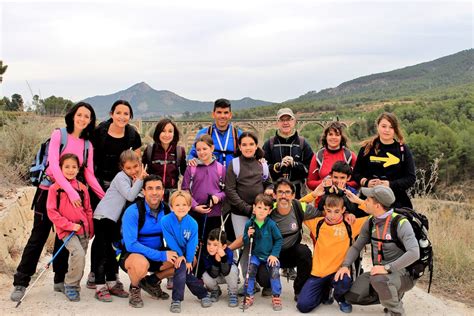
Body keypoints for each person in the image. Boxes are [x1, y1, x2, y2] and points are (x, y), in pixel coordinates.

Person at [11, 102, 105, 302]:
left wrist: (105, 198)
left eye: (87, 116)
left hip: (71, 197)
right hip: (48, 192)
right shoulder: (59, 135)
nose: (82, 119)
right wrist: (70, 190)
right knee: (38, 237)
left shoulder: (87, 145)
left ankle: (59, 280)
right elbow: (53, 165)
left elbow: (88, 174)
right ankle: (21, 282)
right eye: (79, 114)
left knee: (65, 237)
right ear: (72, 116)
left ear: (90, 121)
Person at [335, 185, 420, 316]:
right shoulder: (371, 221)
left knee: (379, 280)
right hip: (379, 273)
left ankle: (396, 311)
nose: (365, 202)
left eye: (368, 199)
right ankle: (390, 296)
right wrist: (345, 266)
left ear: (377, 205)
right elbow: (357, 246)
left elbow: (414, 252)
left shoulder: (401, 223)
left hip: (403, 274)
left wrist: (387, 268)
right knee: (351, 296)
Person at [88, 99, 142, 290]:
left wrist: (137, 178)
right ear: (112, 114)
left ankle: (113, 276)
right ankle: (95, 273)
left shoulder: (132, 134)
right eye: (118, 112)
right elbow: (90, 160)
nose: (122, 116)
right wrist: (96, 188)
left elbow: (136, 159)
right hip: (99, 185)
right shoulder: (99, 132)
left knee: (114, 234)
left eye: (126, 113)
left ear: (130, 116)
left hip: (122, 186)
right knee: (100, 234)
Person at [297, 194, 368, 314]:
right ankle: (324, 292)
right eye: (329, 211)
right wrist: (314, 194)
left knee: (344, 282)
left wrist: (358, 201)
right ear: (324, 209)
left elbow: (376, 214)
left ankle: (340, 298)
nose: (332, 215)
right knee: (303, 306)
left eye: (337, 211)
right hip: (318, 272)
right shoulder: (317, 223)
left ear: (343, 210)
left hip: (339, 272)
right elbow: (297, 207)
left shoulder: (350, 224)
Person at [92, 149, 147, 302]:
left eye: (136, 166)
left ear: (140, 164)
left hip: (113, 220)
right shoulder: (121, 177)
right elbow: (130, 195)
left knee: (112, 252)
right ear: (122, 167)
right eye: (128, 168)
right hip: (103, 217)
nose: (132, 170)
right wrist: (141, 179)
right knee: (102, 253)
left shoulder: (132, 178)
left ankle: (111, 283)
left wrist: (142, 181)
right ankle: (99, 286)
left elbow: (139, 195)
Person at [119, 174, 176, 308]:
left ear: (163, 191)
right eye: (150, 188)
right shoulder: (133, 211)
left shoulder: (167, 210)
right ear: (143, 191)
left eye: (158, 188)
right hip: (132, 255)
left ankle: (151, 281)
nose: (154, 192)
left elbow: (173, 236)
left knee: (186, 259)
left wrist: (188, 245)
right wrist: (162, 255)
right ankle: (135, 288)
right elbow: (131, 245)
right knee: (141, 264)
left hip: (156, 253)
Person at [224, 131, 273, 288]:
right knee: (245, 243)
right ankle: (247, 280)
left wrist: (268, 191)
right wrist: (247, 208)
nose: (248, 147)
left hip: (260, 213)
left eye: (251, 144)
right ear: (239, 146)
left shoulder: (262, 164)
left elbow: (269, 183)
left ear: (256, 145)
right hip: (240, 213)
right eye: (244, 144)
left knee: (258, 243)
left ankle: (258, 276)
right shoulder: (235, 164)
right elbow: (230, 190)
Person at [46, 153, 94, 301]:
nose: (70, 170)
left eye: (74, 167)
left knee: (80, 259)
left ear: (78, 169)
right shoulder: (55, 188)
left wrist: (90, 228)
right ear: (60, 168)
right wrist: (68, 225)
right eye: (67, 166)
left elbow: (88, 209)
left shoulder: (82, 188)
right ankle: (71, 285)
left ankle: (73, 283)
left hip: (83, 230)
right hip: (67, 231)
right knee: (78, 254)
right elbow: (51, 212)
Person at [181, 134, 226, 277]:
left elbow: (226, 190)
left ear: (212, 148)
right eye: (198, 150)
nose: (202, 152)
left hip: (214, 214)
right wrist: (194, 206)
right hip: (196, 213)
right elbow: (185, 190)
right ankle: (196, 273)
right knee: (196, 243)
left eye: (205, 149)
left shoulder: (221, 169)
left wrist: (217, 198)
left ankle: (211, 274)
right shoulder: (191, 168)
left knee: (212, 244)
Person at [161, 190, 213, 313]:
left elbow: (192, 243)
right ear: (172, 207)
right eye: (177, 205)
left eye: (184, 205)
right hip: (173, 250)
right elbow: (170, 240)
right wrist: (180, 256)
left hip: (187, 252)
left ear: (189, 207)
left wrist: (189, 259)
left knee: (184, 268)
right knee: (181, 267)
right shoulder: (165, 220)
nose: (181, 208)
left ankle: (180, 299)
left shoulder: (193, 223)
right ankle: (197, 296)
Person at [352, 112, 416, 208]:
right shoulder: (367, 148)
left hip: (396, 202)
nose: (387, 130)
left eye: (391, 127)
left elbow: (411, 178)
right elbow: (356, 173)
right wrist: (366, 182)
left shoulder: (402, 149)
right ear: (377, 127)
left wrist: (390, 184)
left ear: (395, 129)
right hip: (369, 200)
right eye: (384, 126)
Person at [242, 194, 283, 311]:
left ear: (269, 211)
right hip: (256, 255)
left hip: (269, 255)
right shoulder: (249, 224)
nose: (261, 211)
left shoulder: (271, 224)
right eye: (259, 207)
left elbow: (279, 239)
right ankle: (249, 295)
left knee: (274, 270)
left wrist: (274, 254)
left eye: (265, 209)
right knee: (250, 270)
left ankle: (276, 296)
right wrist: (247, 235)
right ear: (254, 208)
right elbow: (246, 242)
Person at [263, 107, 313, 199]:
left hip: (298, 193)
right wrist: (278, 166)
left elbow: (310, 169)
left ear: (294, 121)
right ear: (277, 123)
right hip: (275, 193)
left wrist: (294, 164)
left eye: (288, 119)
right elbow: (262, 170)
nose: (285, 123)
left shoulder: (303, 143)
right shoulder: (269, 144)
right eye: (282, 120)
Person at [187, 98, 242, 168]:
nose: (222, 116)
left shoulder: (238, 134)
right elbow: (192, 154)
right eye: (219, 112)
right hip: (210, 177)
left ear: (230, 115)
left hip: (232, 177)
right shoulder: (203, 133)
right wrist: (191, 160)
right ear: (213, 114)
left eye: (226, 112)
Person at [142, 118, 186, 203]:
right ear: (158, 132)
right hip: (153, 194)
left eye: (170, 131)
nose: (167, 134)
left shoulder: (179, 151)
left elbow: (185, 172)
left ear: (174, 134)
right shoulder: (150, 150)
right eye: (163, 131)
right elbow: (141, 170)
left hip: (171, 195)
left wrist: (195, 162)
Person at [307, 121, 357, 191]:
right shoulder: (318, 156)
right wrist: (324, 183)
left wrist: (343, 183)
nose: (333, 137)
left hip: (345, 199)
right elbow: (310, 183)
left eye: (337, 135)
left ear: (341, 137)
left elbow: (357, 181)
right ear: (326, 136)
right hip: (323, 199)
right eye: (330, 134)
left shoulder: (350, 156)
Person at [201, 228, 239, 307]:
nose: (211, 247)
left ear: (224, 246)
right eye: (209, 244)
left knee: (233, 269)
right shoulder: (205, 253)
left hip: (227, 275)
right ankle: (215, 290)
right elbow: (213, 274)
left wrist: (223, 258)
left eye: (215, 245)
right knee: (205, 275)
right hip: (215, 275)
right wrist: (216, 261)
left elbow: (226, 271)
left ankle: (233, 292)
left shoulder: (228, 252)